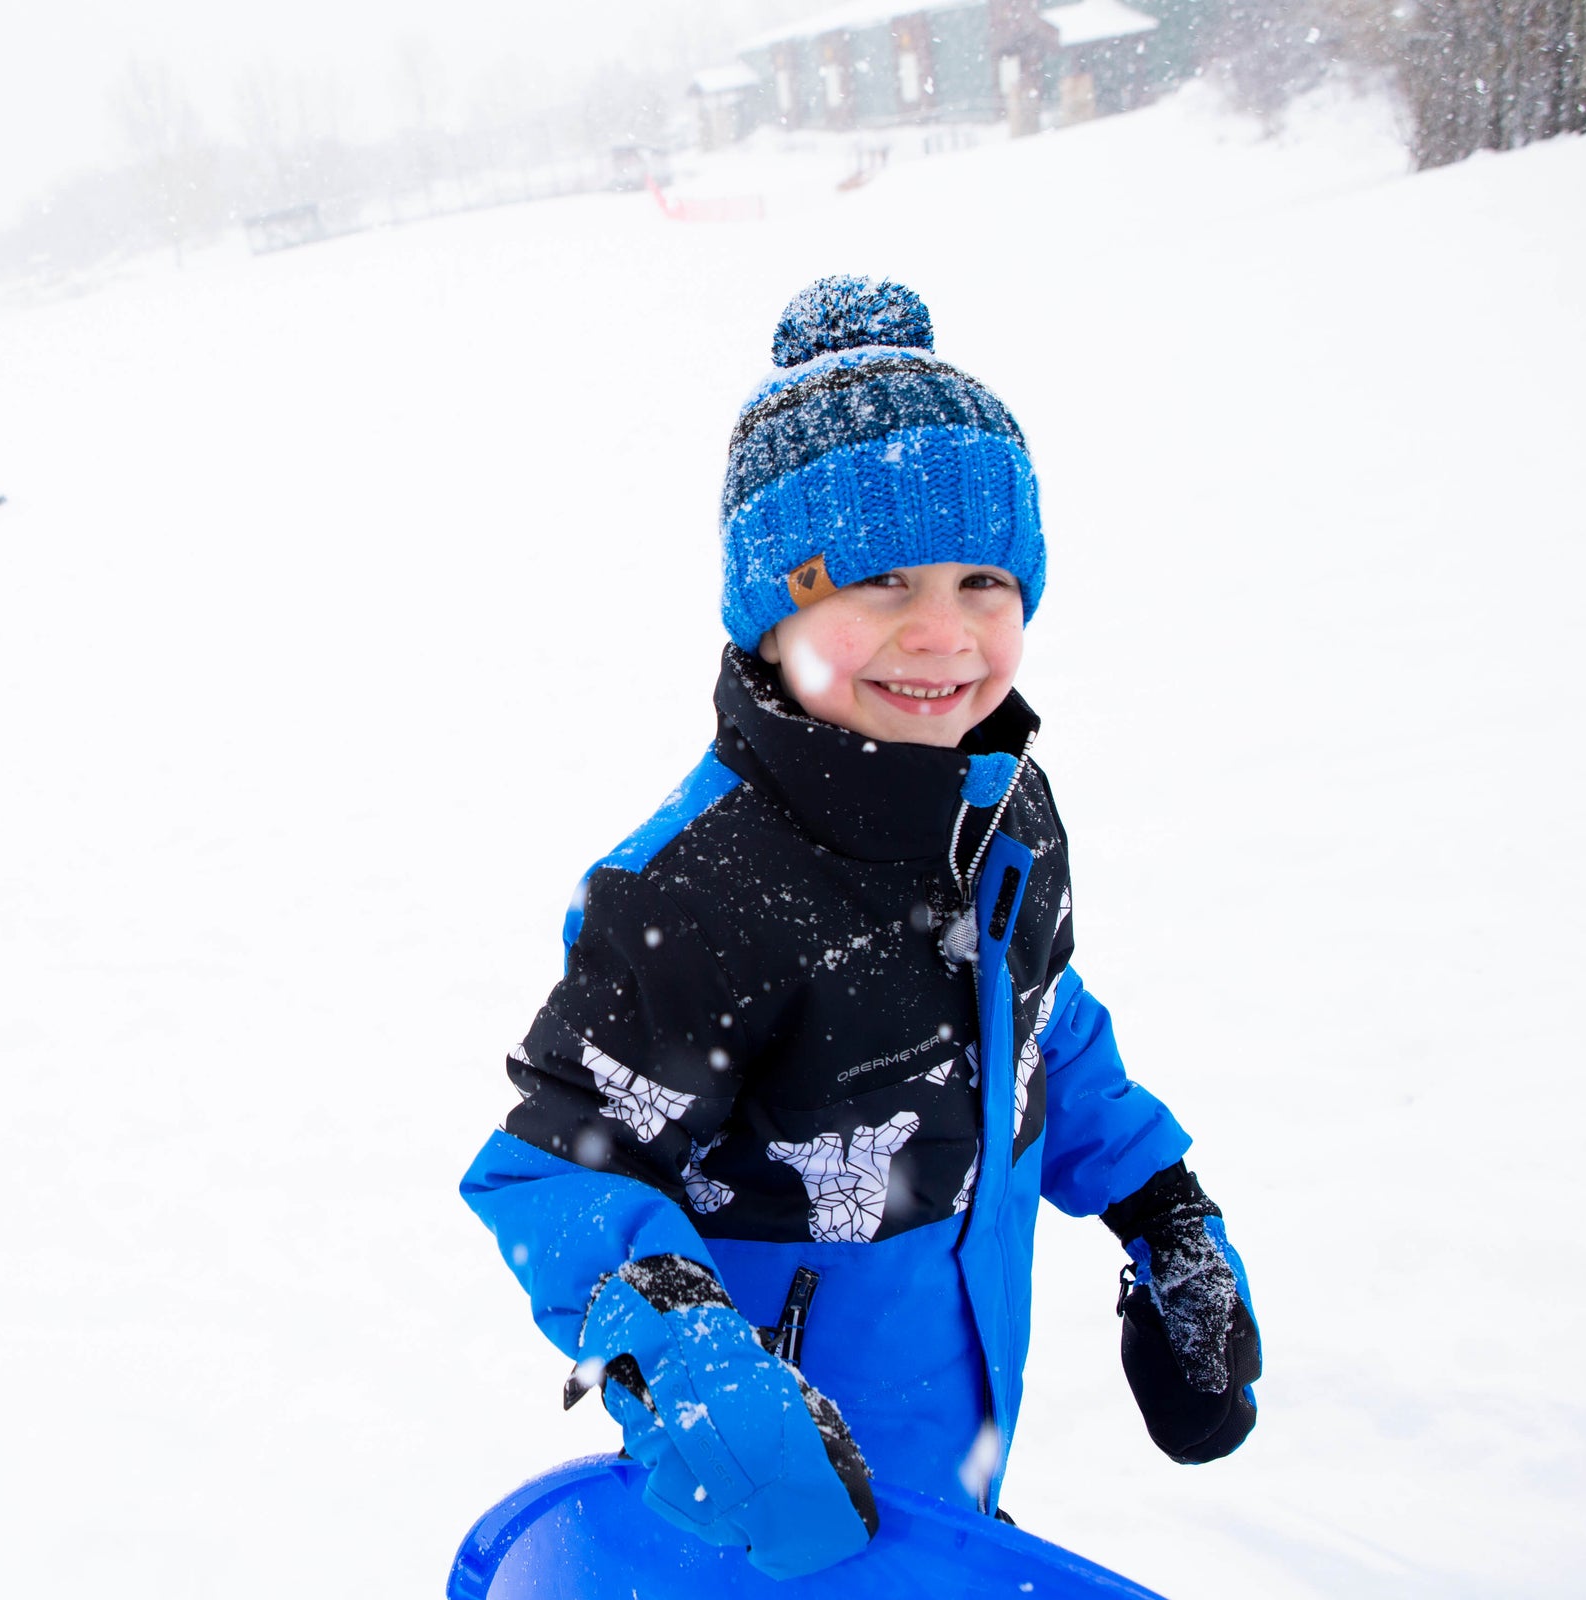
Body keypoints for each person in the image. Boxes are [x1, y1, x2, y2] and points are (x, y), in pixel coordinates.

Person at [459, 278, 1261, 1581]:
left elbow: (1040, 1022)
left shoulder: (1002, 806)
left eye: (983, 579)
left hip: (951, 1459)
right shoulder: (700, 893)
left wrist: (1161, 1205)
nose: (941, 632)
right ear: (771, 613)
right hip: (759, 1502)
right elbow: (558, 1169)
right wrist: (691, 1369)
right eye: (880, 582)